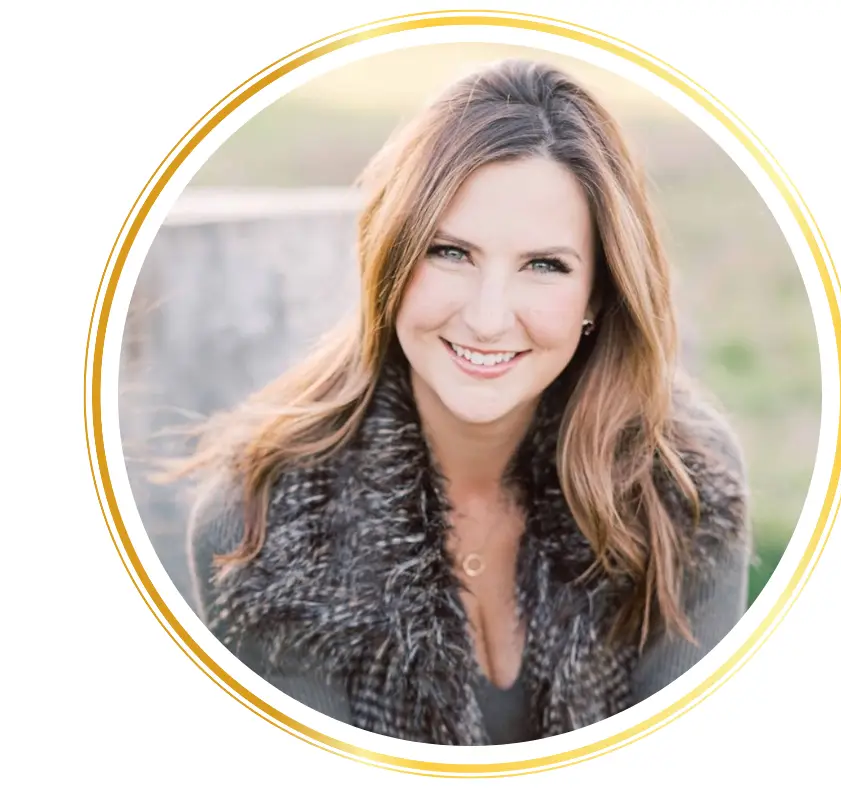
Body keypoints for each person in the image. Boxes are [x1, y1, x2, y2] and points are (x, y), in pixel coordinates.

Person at [176, 58, 751, 746]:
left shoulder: (685, 481)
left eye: (544, 265)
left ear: (598, 293)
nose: (487, 316)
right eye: (450, 252)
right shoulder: (263, 526)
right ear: (391, 258)